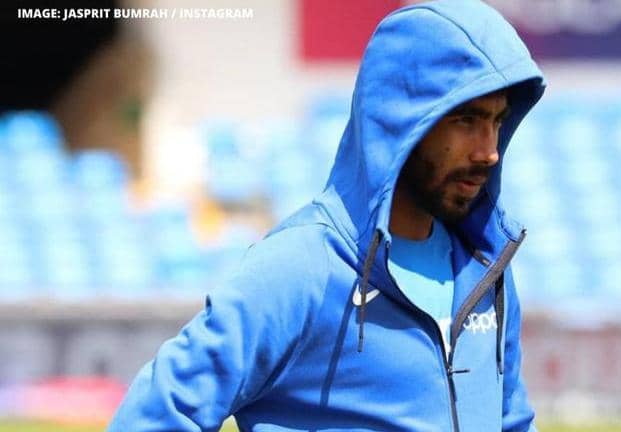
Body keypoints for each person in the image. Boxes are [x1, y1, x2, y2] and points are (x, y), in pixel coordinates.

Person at [109, 0, 545, 430]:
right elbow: (154, 414)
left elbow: (512, 423)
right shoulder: (302, 267)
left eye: (497, 121)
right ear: (401, 118)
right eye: (466, 120)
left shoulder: (485, 269)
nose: (488, 151)